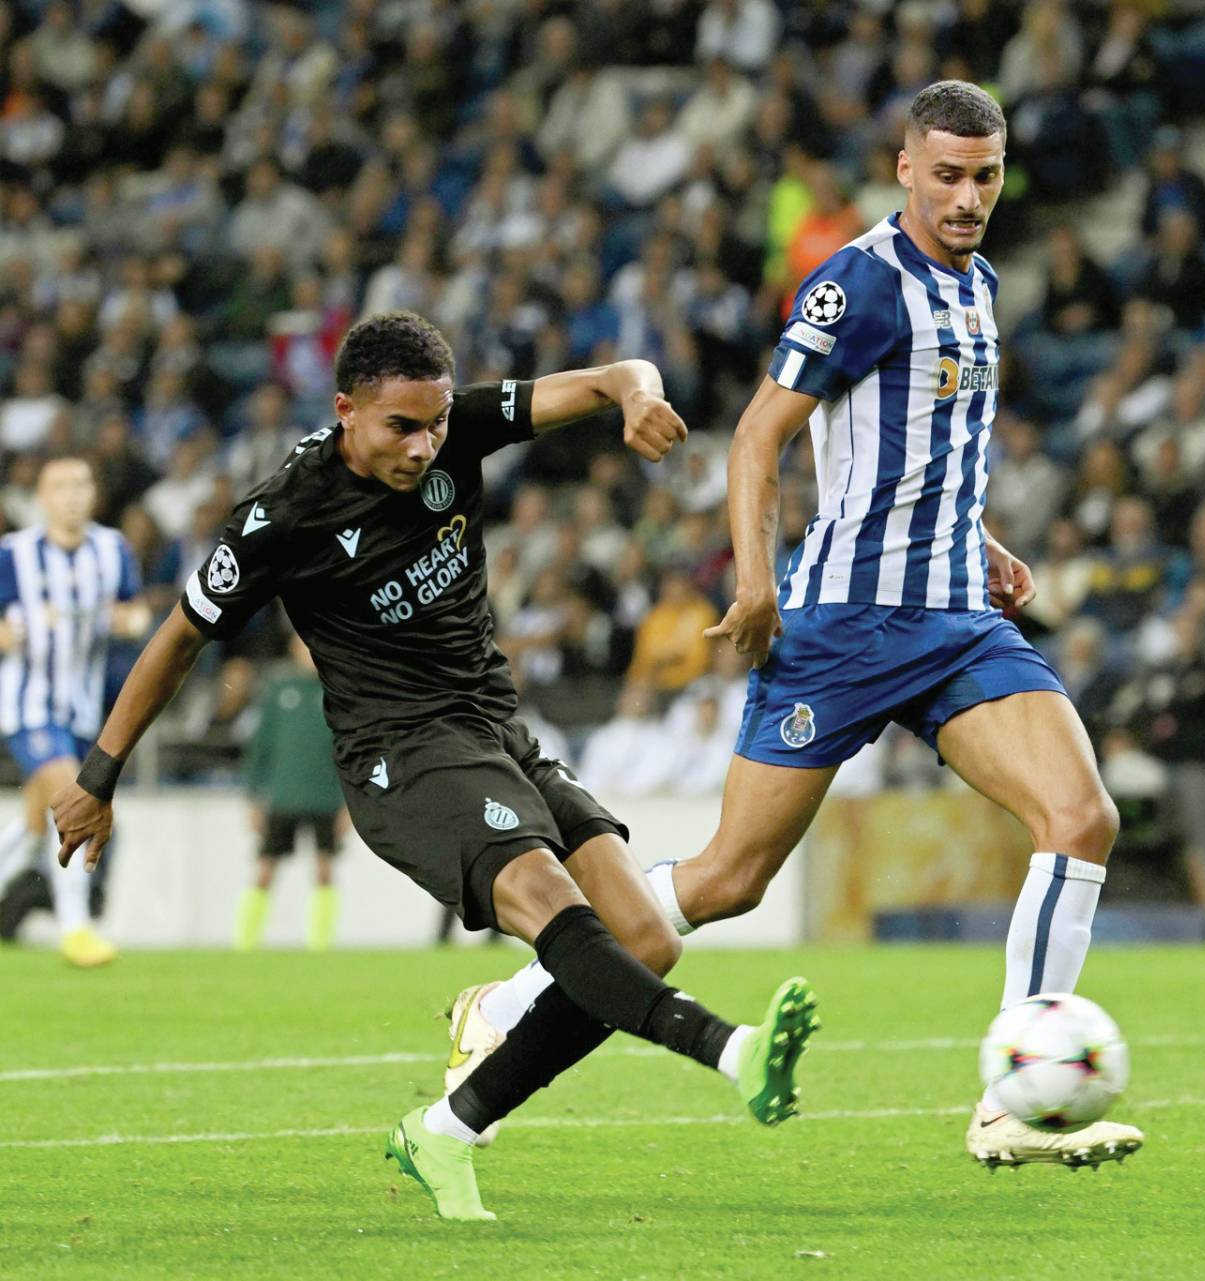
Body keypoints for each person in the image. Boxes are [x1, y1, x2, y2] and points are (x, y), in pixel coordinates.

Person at [51, 313, 821, 1221]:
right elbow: (181, 635)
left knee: (646, 938)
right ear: (346, 411)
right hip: (402, 754)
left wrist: (640, 395)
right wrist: (98, 776)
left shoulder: (460, 425)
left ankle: (448, 1129)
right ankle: (734, 1051)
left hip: (496, 729)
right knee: (557, 907)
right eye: (400, 428)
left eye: (437, 426)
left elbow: (618, 369)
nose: (425, 447)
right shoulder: (283, 514)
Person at [645, 82, 1140, 1168]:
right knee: (730, 878)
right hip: (843, 624)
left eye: (987, 177)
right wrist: (756, 578)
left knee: (1080, 815)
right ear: (907, 167)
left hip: (957, 614)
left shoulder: (982, 283)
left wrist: (987, 538)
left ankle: (1014, 1094)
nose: (968, 198)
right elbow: (755, 441)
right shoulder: (861, 287)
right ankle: (523, 987)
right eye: (949, 175)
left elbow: (927, 443)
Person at [0, 457, 150, 967]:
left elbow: (135, 610)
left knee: (33, 829)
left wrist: (129, 621)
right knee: (72, 801)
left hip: (83, 711)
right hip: (29, 707)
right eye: (61, 486)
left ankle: (73, 924)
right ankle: (76, 929)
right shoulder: (13, 555)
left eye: (82, 484)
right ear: (42, 497)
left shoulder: (111, 549)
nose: (73, 495)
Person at [233, 633, 348, 951]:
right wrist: (254, 797)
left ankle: (320, 946)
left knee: (324, 869)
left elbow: (349, 753)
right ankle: (244, 943)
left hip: (325, 795)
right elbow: (259, 748)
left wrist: (348, 805)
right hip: (284, 795)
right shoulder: (278, 690)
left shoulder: (336, 692)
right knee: (265, 868)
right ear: (292, 648)